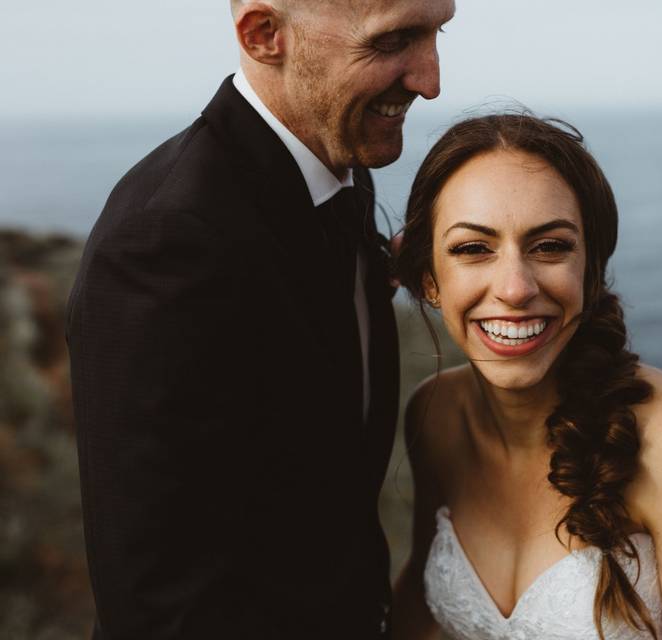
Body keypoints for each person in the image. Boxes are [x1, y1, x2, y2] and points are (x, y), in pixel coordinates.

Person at [65, 1, 454, 638]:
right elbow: (159, 602)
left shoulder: (338, 168)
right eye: (394, 41)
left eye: (437, 34)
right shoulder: (165, 243)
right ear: (264, 35)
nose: (431, 80)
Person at [390, 114, 662, 640]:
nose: (515, 287)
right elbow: (419, 609)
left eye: (550, 246)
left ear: (591, 272)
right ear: (429, 279)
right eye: (473, 249)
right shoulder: (432, 416)